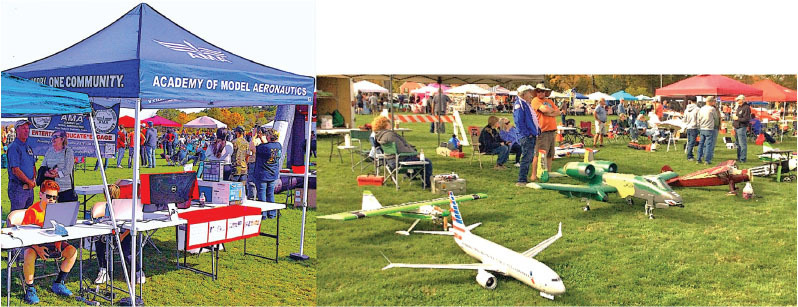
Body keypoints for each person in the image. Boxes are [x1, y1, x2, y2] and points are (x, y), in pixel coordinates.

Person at [20, 180, 78, 304]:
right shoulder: (32, 212)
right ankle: (30, 289)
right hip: (35, 244)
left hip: (53, 242)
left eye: (54, 197)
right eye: (49, 196)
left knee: (72, 252)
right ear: (41, 194)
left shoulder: (58, 210)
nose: (52, 199)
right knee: (28, 254)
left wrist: (58, 245)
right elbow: (24, 236)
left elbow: (60, 230)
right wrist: (38, 249)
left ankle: (58, 283)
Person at [90, 184, 145, 285]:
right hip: (109, 233)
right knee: (99, 245)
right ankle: (103, 271)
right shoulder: (106, 205)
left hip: (124, 234)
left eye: (110, 193)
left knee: (126, 253)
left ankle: (138, 271)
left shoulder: (125, 206)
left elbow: (131, 223)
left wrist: (122, 236)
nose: (109, 196)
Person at [372, 116, 433, 188]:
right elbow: (402, 149)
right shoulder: (390, 135)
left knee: (420, 161)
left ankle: (413, 176)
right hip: (399, 161)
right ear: (385, 124)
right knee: (427, 162)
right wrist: (415, 154)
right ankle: (427, 184)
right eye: (389, 122)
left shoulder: (379, 136)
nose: (390, 123)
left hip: (389, 161)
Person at [530, 84, 559, 182]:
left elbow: (558, 112)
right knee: (539, 154)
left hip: (552, 130)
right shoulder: (535, 101)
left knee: (550, 154)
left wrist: (549, 112)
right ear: (536, 92)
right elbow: (544, 109)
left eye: (542, 91)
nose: (541, 93)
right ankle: (534, 174)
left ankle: (548, 172)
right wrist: (551, 112)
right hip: (542, 131)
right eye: (539, 91)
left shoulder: (549, 101)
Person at [512, 85, 539, 186]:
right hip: (527, 135)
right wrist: (528, 134)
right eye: (528, 92)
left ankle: (523, 178)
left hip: (530, 134)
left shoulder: (525, 104)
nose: (530, 95)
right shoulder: (520, 105)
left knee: (528, 157)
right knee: (526, 157)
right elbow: (519, 122)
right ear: (523, 94)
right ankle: (521, 179)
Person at [7, 120, 37, 211]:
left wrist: (33, 180)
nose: (26, 131)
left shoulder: (28, 147)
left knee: (27, 217)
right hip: (18, 189)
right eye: (23, 128)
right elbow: (15, 170)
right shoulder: (14, 147)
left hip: (29, 189)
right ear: (17, 130)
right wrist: (29, 181)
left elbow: (33, 165)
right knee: (17, 217)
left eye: (27, 128)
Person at [253, 128, 282, 218]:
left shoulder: (264, 147)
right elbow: (267, 147)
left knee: (261, 194)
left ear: (269, 136)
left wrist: (253, 136)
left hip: (262, 173)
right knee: (270, 194)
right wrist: (261, 138)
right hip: (273, 173)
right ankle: (272, 213)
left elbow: (252, 148)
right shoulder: (278, 145)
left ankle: (263, 214)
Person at [41, 130, 77, 202]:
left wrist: (56, 175)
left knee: (64, 212)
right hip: (50, 189)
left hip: (65, 189)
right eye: (52, 137)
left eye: (55, 137)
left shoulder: (68, 151)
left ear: (62, 139)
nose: (53, 139)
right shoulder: (49, 151)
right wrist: (48, 172)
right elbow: (43, 166)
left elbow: (68, 169)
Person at [697, 96, 721, 165]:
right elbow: (716, 118)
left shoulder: (701, 109)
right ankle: (707, 160)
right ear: (710, 102)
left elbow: (698, 118)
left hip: (702, 128)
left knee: (701, 144)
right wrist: (716, 126)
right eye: (713, 101)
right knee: (708, 144)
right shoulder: (712, 109)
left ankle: (699, 158)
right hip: (709, 128)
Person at [732, 95, 752, 163]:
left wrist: (738, 118)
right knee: (737, 143)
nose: (737, 101)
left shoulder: (746, 108)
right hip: (737, 127)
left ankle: (743, 158)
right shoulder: (739, 107)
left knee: (742, 144)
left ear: (742, 100)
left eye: (738, 100)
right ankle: (739, 157)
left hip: (742, 127)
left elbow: (746, 119)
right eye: (737, 100)